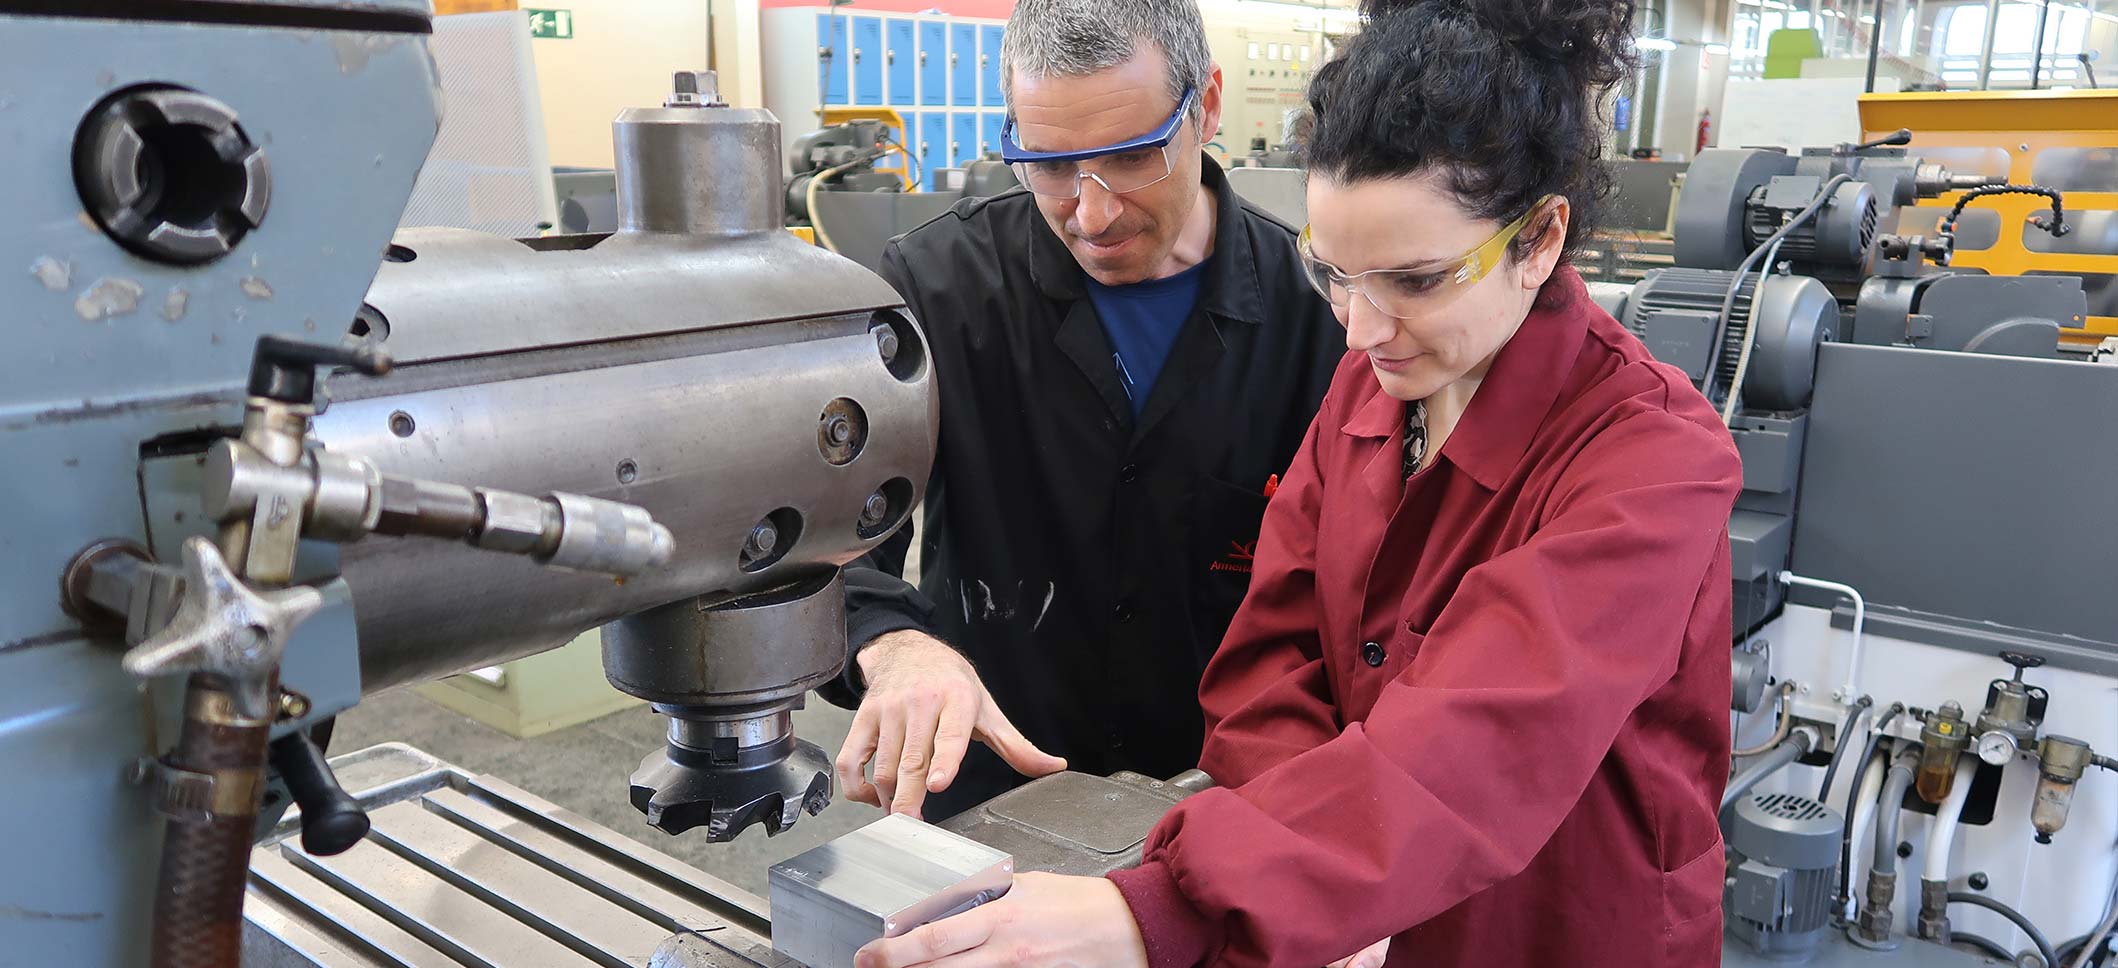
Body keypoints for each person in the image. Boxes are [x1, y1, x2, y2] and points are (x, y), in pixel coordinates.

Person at [852, 0, 1745, 966]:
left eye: (1414, 280)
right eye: (1336, 274)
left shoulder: (1650, 460)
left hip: (1546, 930)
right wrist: (1303, 883)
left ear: (1538, 240)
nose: (1360, 328)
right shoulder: (1374, 389)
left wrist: (1184, 907)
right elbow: (1269, 658)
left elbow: (1485, 742)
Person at [817, 0, 1344, 822]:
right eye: (1050, 165)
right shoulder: (939, 289)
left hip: (1219, 805)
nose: (1092, 214)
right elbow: (829, 538)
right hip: (993, 796)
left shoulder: (1316, 313)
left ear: (1206, 107)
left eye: (1132, 156)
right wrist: (895, 647)